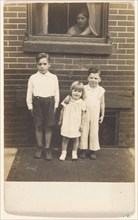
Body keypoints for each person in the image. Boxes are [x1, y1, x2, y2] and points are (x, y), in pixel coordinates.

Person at [26, 53, 59, 160]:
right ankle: (40, 147)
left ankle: (47, 148)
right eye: (40, 64)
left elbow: (56, 92)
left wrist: (56, 105)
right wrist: (30, 106)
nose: (42, 66)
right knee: (38, 126)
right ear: (36, 65)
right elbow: (29, 93)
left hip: (50, 102)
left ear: (49, 64)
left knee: (48, 126)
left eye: (45, 64)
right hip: (37, 103)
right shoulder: (33, 78)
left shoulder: (54, 77)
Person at [79, 67, 105, 160]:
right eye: (91, 78)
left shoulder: (101, 90)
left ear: (100, 79)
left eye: (96, 78)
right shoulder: (84, 88)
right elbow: (80, 100)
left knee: (94, 131)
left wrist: (102, 115)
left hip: (95, 113)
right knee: (84, 130)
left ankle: (92, 150)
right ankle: (83, 149)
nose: (93, 80)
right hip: (85, 113)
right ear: (87, 78)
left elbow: (102, 103)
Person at [58, 81, 86, 161]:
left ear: (82, 93)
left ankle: (74, 153)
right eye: (75, 91)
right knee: (65, 138)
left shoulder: (82, 102)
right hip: (67, 122)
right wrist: (60, 120)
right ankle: (63, 153)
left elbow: (83, 114)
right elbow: (62, 110)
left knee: (76, 138)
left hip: (76, 123)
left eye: (79, 91)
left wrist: (82, 125)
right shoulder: (67, 99)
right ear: (71, 91)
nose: (77, 93)